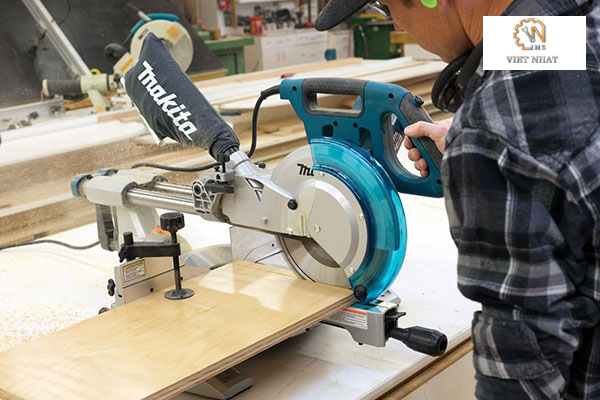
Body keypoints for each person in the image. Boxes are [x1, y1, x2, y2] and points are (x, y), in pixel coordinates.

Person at [316, 1, 600, 399]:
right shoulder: (580, 28)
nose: (397, 24)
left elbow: (521, 365)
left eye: (388, 7)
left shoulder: (494, 125)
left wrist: (490, 144)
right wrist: (505, 149)